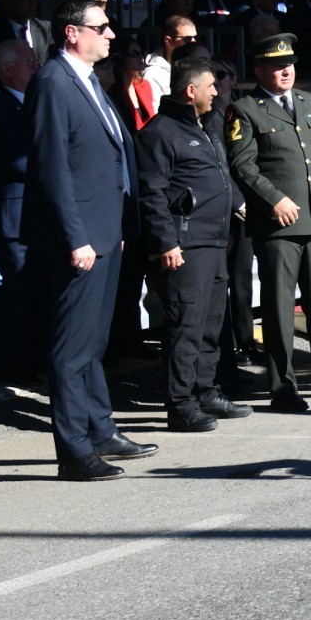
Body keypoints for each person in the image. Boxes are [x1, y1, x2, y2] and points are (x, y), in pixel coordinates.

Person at [25, 0, 151, 481]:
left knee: (94, 342)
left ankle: (100, 428)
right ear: (72, 33)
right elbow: (52, 169)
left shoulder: (88, 81)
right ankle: (73, 448)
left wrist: (114, 226)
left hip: (105, 230)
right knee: (71, 347)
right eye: (102, 27)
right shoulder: (53, 82)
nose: (111, 35)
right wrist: (75, 237)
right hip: (79, 237)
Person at [225, 32, 311, 412]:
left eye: (290, 64)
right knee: (280, 309)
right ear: (259, 69)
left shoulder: (310, 101)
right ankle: (283, 387)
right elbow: (242, 165)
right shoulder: (246, 108)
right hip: (279, 224)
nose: (286, 70)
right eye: (277, 65)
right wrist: (273, 199)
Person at [137, 58, 245, 432]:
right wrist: (166, 242)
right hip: (185, 244)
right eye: (211, 85)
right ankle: (180, 404)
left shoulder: (204, 127)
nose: (216, 91)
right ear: (190, 91)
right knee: (185, 325)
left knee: (211, 324)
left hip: (213, 243)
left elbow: (219, 178)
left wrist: (227, 228)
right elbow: (151, 193)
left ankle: (207, 391)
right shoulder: (160, 133)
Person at [0, 39, 42, 381]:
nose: (35, 65)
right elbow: (15, 161)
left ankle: (35, 357)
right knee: (19, 291)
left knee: (37, 290)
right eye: (27, 61)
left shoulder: (32, 103)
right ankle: (18, 365)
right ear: (7, 69)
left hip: (35, 212)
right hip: (15, 215)